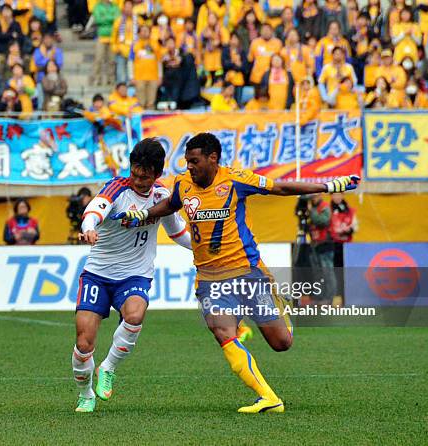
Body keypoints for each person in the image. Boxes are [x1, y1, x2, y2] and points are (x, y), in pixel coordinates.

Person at [116, 133, 360, 413]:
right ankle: (268, 397)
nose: (189, 167)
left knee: (282, 343)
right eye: (186, 161)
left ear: (212, 158)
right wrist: (144, 215)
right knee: (222, 331)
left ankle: (277, 304)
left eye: (194, 161)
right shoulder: (183, 184)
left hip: (246, 272)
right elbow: (170, 204)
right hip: (209, 277)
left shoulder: (235, 180)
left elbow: (279, 188)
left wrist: (326, 186)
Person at [73, 138, 191, 413]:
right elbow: (94, 211)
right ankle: (85, 393)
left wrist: (203, 249)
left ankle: (109, 367)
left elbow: (178, 233)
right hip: (98, 274)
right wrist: (90, 228)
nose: (138, 180)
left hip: (135, 274)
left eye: (145, 176)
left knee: (135, 314)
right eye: (135, 174)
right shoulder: (117, 188)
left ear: (157, 174)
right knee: (83, 342)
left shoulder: (163, 196)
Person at [91, 0, 120, 86]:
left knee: (111, 60)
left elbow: (117, 20)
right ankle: (97, 79)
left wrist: (105, 18)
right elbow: (98, 20)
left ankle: (110, 79)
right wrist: (110, 18)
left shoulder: (115, 7)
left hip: (113, 37)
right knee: (98, 59)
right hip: (101, 36)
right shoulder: (97, 6)